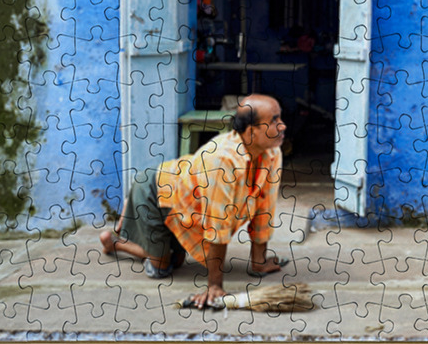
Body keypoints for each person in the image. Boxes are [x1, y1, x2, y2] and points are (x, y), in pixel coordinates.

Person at [99, 94, 287, 308]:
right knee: (161, 268)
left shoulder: (272, 152)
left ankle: (140, 229)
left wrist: (259, 263)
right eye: (274, 120)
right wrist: (214, 285)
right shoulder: (222, 159)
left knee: (179, 262)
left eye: (279, 118)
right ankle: (114, 243)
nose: (282, 126)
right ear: (251, 131)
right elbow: (218, 224)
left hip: (185, 205)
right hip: (154, 192)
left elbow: (265, 207)